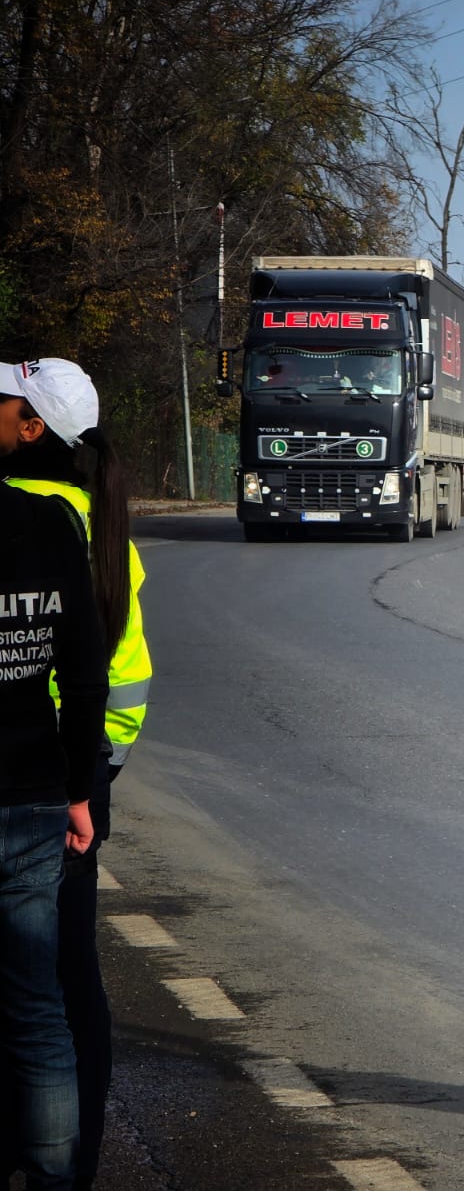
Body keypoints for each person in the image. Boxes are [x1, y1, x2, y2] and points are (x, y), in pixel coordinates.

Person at [0, 358, 150, 1190]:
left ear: (34, 430)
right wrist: (94, 773)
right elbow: (120, 673)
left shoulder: (40, 515)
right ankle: (71, 1162)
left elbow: (64, 667)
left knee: (33, 992)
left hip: (38, 774)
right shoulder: (98, 514)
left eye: (5, 400)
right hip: (79, 775)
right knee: (66, 983)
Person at [0, 476, 108, 1189]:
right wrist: (77, 790)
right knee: (39, 1012)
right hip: (34, 791)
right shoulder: (49, 522)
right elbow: (83, 668)